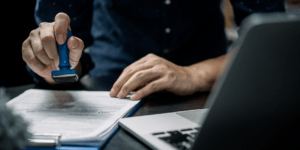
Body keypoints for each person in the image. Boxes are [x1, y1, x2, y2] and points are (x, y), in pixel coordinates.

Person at [22, 0, 285, 100]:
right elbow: (63, 56)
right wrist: (52, 66)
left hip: (211, 87)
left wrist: (195, 75)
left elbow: (273, 44)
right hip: (110, 91)